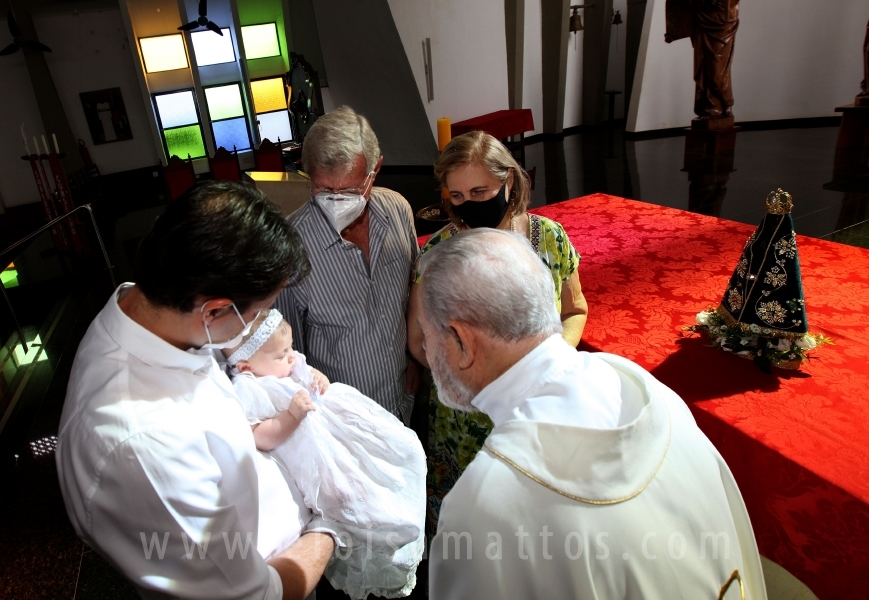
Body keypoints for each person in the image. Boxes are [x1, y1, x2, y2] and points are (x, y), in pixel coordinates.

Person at [417, 229, 767, 600]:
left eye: (426, 333)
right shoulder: (642, 388)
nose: (424, 346)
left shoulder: (486, 505)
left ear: (461, 341)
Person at [56, 182, 335, 600]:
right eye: (256, 313)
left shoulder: (150, 311)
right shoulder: (145, 444)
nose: (254, 326)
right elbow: (257, 594)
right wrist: (331, 527)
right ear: (214, 310)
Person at [406, 131, 588, 537]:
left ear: (508, 181)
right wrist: (478, 378)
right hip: (466, 411)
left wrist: (548, 365)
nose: (468, 205)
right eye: (456, 196)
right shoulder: (437, 254)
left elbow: (575, 309)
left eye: (479, 190)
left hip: (539, 402)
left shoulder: (550, 238)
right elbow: (418, 341)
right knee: (472, 530)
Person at [224, 309, 426, 600]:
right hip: (307, 443)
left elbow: (312, 376)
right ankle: (370, 523)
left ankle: (394, 498)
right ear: (245, 365)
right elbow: (259, 436)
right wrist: (290, 417)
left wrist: (317, 378)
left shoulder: (288, 364)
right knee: (342, 484)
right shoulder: (248, 388)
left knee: (395, 449)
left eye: (291, 348)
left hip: (332, 424)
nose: (292, 357)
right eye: (282, 354)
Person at [276, 105, 420, 422]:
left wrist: (414, 358)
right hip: (341, 417)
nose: (338, 201)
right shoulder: (290, 247)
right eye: (325, 190)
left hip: (403, 397)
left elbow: (413, 292)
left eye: (353, 189)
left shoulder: (397, 211)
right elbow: (285, 352)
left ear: (376, 169)